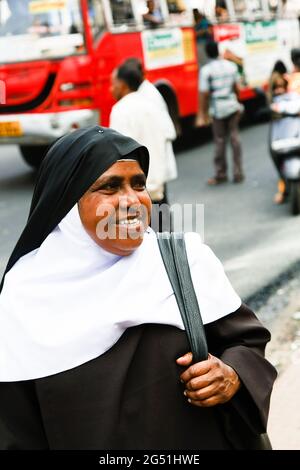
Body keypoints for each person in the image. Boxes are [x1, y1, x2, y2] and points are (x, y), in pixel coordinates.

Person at [0, 126, 276, 449]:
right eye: (110, 187)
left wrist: (231, 375)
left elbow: (247, 341)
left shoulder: (183, 261)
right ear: (67, 206)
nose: (132, 201)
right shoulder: (22, 301)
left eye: (139, 184)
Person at [109, 62, 176, 230]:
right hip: (157, 185)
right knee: (164, 236)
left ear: (123, 85)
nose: (111, 89)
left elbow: (119, 154)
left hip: (136, 191)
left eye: (113, 84)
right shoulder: (151, 105)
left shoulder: (120, 110)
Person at [123, 57, 178, 201]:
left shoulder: (148, 96)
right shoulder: (142, 93)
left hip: (155, 160)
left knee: (159, 208)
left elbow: (165, 131)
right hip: (153, 162)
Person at [197, 41, 244, 185]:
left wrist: (202, 114)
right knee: (235, 138)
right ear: (218, 50)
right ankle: (238, 173)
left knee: (220, 141)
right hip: (232, 105)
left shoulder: (206, 70)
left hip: (218, 109)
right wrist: (236, 101)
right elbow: (237, 88)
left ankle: (221, 173)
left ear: (206, 53)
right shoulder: (230, 66)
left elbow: (204, 94)